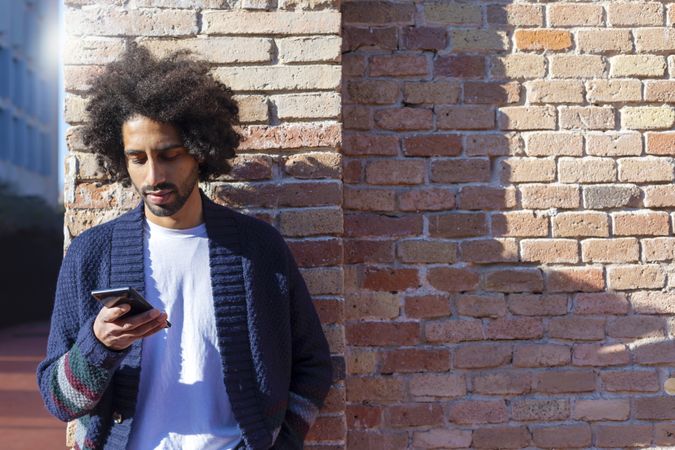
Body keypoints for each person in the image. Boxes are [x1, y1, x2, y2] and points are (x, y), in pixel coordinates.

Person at [36, 44, 332, 450]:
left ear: (199, 150)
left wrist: (282, 441)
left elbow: (313, 365)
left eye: (169, 155)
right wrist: (98, 345)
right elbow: (57, 401)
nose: (153, 175)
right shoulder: (91, 254)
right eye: (136, 158)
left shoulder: (258, 249)